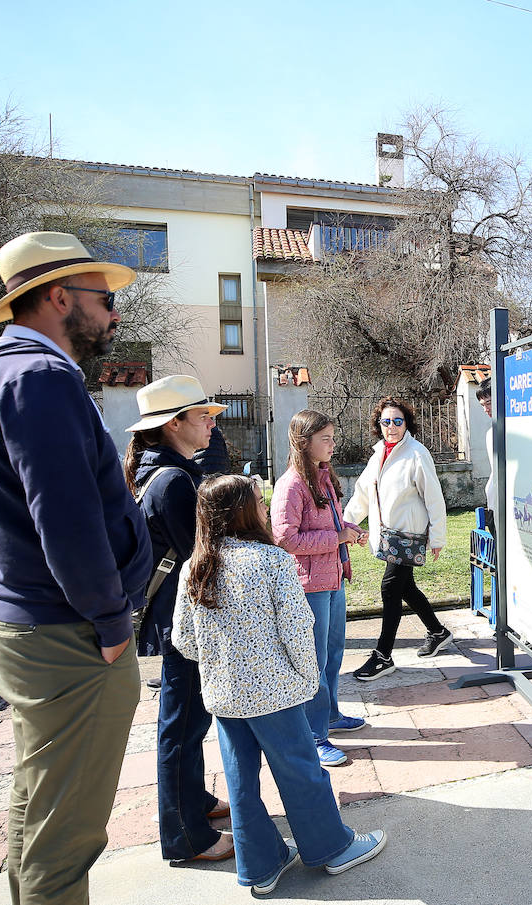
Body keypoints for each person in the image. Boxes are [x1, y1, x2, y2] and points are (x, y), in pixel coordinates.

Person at [0, 230, 153, 905]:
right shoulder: (39, 377)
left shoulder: (2, 374)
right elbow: (67, 520)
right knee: (65, 840)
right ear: (60, 297)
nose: (115, 314)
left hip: (35, 623)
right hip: (69, 635)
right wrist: (113, 620)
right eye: (105, 298)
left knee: (40, 801)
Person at [173, 474, 386, 896]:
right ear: (243, 510)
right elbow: (297, 629)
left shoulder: (195, 565)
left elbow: (183, 639)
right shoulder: (271, 561)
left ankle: (261, 865)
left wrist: (224, 661)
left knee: (240, 780)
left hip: (224, 695)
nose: (265, 504)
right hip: (277, 693)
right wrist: (308, 680)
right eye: (258, 499)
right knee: (301, 772)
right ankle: (332, 848)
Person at [123, 374, 231, 863]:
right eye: (203, 416)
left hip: (174, 617)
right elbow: (203, 557)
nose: (211, 423)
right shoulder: (171, 481)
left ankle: (195, 803)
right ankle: (186, 835)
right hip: (181, 622)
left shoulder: (164, 471)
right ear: (174, 423)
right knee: (182, 725)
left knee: (186, 721)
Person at [271, 409, 369, 769]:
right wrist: (336, 537)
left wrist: (348, 530)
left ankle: (328, 716)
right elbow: (284, 538)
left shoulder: (324, 477)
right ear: (304, 442)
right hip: (308, 585)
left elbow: (327, 521)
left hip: (332, 580)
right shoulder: (292, 484)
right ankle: (314, 737)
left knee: (333, 652)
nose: (332, 444)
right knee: (313, 660)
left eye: (331, 437)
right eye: (324, 438)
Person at [343, 397, 451, 681]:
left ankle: (383, 656)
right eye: (386, 421)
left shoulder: (417, 454)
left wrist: (437, 536)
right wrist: (345, 524)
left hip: (409, 535)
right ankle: (438, 632)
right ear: (379, 425)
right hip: (387, 535)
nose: (391, 426)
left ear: (407, 423)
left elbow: (434, 498)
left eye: (397, 421)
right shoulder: (377, 453)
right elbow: (363, 494)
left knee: (391, 589)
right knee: (406, 589)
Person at [477, 381, 496, 533]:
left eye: (488, 403)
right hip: (493, 505)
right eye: (482, 405)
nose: (485, 409)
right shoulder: (491, 433)